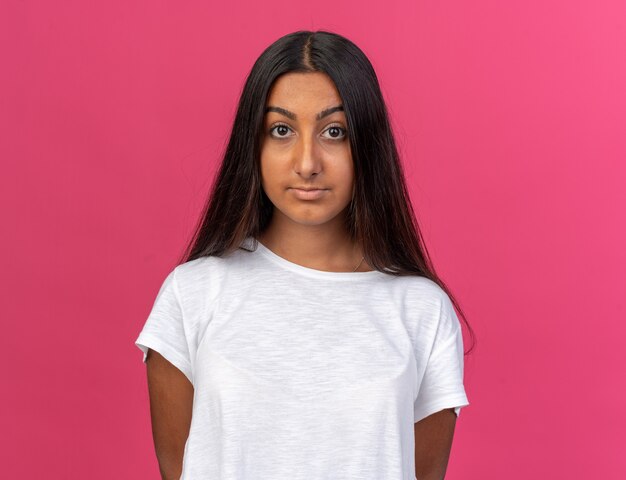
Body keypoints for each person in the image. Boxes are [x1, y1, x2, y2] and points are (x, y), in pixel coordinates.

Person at [135, 30, 475, 480]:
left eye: (335, 132)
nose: (307, 162)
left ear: (368, 146)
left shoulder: (422, 310)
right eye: (281, 130)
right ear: (252, 145)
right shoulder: (193, 293)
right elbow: (179, 468)